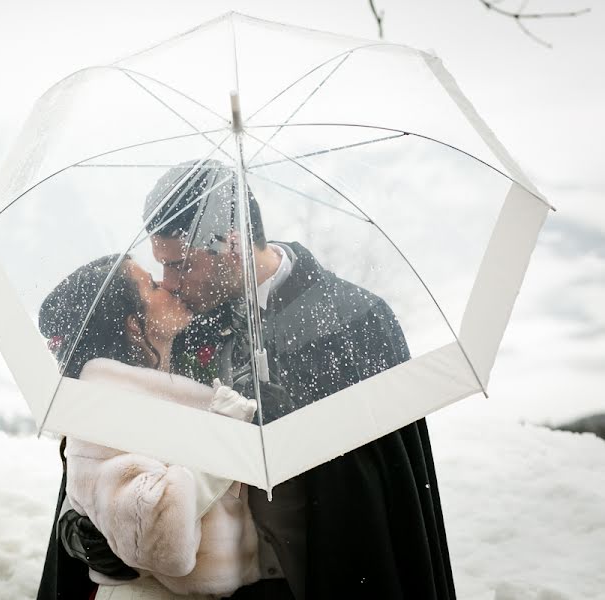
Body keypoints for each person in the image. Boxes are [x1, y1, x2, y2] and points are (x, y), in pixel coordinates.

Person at [40, 160, 457, 600]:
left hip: (318, 578)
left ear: (231, 243)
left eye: (180, 264)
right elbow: (105, 443)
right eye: (161, 266)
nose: (169, 283)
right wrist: (75, 528)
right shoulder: (178, 327)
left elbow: (385, 486)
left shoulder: (351, 322)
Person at [37, 254, 262, 600]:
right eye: (154, 285)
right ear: (132, 324)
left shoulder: (171, 380)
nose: (169, 285)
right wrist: (221, 443)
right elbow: (153, 532)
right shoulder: (108, 402)